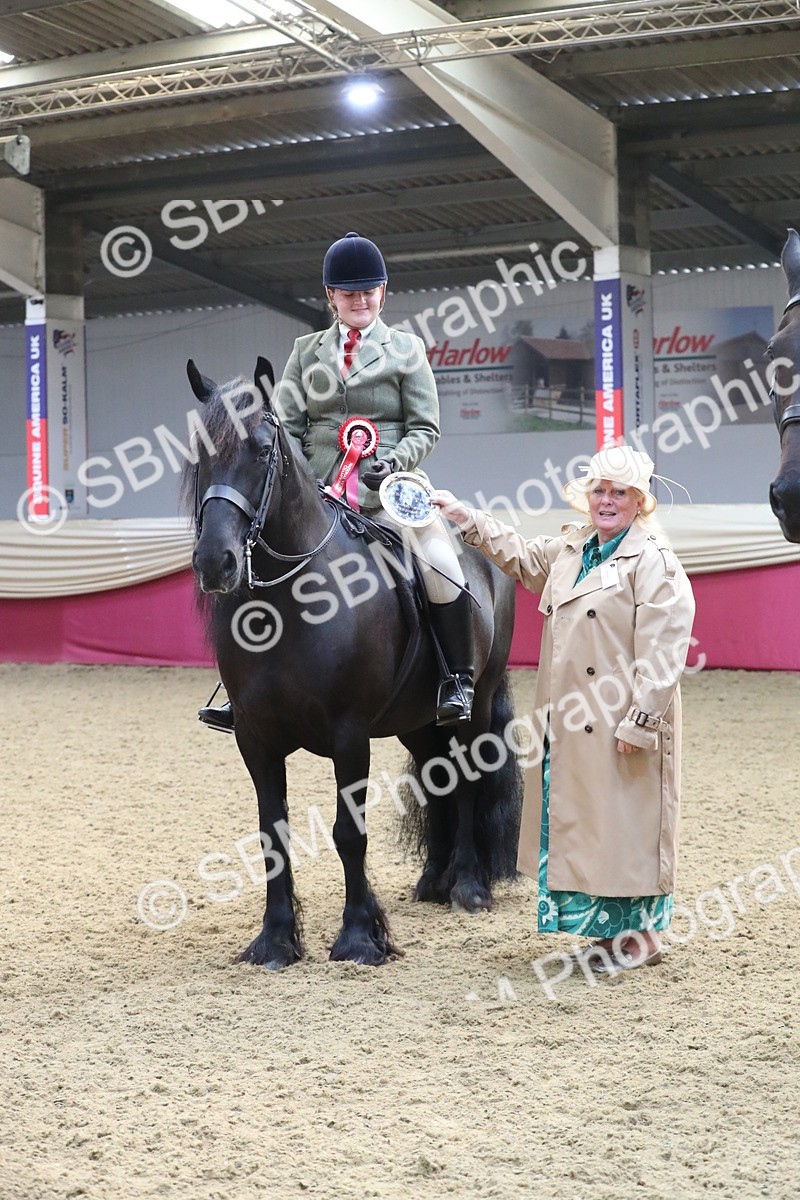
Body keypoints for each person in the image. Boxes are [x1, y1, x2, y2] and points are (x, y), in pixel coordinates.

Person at [432, 444, 696, 973]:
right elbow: (522, 555)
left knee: (627, 827)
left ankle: (642, 940)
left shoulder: (655, 561)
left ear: (639, 501)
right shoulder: (574, 548)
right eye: (599, 490)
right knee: (593, 828)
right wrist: (467, 519)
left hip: (622, 718)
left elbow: (666, 650)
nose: (606, 500)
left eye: (619, 492)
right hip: (573, 720)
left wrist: (642, 721)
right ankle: (609, 938)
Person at [199, 231, 474, 732]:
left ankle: (456, 677)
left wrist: (392, 461)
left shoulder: (406, 349)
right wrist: (305, 481)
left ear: (383, 292)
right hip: (316, 492)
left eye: (368, 292)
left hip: (390, 490)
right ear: (331, 296)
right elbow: (286, 426)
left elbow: (426, 427)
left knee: (441, 561)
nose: (360, 301)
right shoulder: (306, 351)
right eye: (349, 293)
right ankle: (240, 689)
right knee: (255, 556)